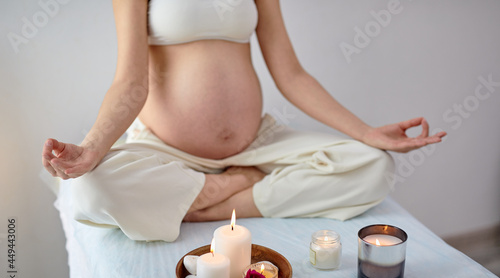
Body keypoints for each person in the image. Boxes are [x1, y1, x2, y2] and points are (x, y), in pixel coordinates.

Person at [42, 0, 446, 242]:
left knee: (374, 165)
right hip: (164, 145)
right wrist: (93, 147)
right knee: (89, 191)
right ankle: (238, 182)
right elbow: (131, 83)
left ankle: (205, 206)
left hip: (256, 144)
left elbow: (291, 75)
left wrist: (367, 132)